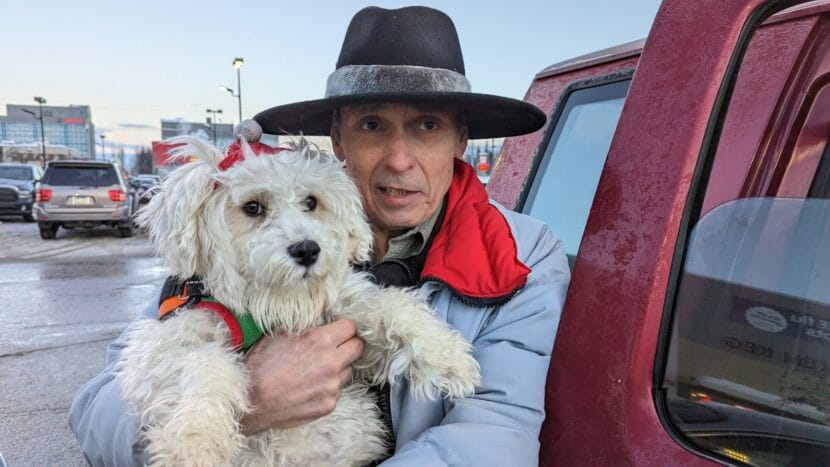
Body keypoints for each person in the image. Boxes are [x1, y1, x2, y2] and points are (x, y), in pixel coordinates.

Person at [69, 5, 570, 466]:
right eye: (372, 125)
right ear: (337, 139)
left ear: (460, 140)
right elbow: (96, 411)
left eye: (427, 126)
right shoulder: (227, 250)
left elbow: (495, 433)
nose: (399, 158)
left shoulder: (522, 253)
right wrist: (247, 405)